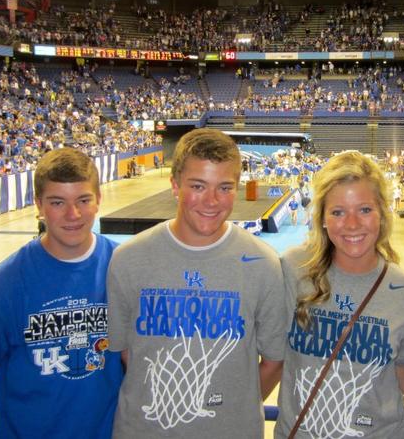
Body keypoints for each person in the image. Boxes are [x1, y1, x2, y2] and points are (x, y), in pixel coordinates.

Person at [106, 128, 286, 438]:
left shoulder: (263, 264)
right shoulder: (128, 259)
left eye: (225, 187)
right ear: (174, 186)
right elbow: (126, 354)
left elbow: (273, 360)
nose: (212, 201)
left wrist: (231, 410)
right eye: (198, 186)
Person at [0, 148, 123, 438]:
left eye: (83, 199)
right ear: (39, 205)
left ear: (99, 200)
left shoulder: (123, 269)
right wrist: (22, 401)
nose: (73, 214)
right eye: (58, 202)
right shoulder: (3, 286)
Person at [275, 151, 404, 438]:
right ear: (323, 218)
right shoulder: (293, 269)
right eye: (338, 212)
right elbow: (269, 357)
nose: (352, 224)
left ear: (382, 212)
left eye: (365, 210)